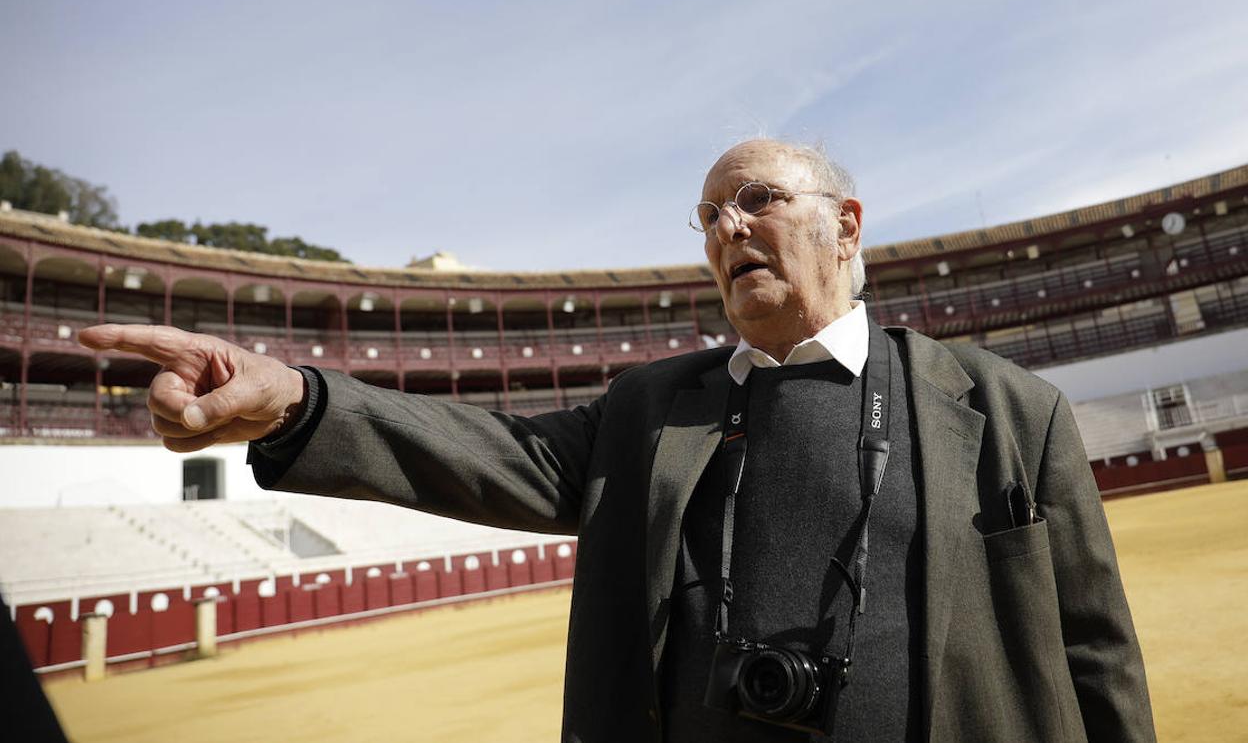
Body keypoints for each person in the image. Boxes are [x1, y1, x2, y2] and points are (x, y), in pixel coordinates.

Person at [79, 139, 1155, 742]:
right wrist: (296, 399)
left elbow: (1097, 658)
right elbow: (480, 447)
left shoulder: (1010, 409)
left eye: (756, 200)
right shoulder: (650, 408)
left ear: (847, 223)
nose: (727, 229)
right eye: (707, 218)